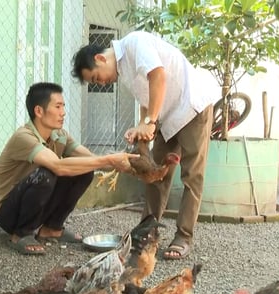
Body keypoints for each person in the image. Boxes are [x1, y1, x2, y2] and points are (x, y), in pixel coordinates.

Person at [71, 30, 219, 260]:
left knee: (192, 176)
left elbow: (157, 76)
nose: (100, 83)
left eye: (96, 77)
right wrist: (141, 125)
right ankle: (146, 231)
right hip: (168, 116)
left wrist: (150, 121)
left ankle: (183, 236)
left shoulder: (134, 43)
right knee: (155, 173)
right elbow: (146, 97)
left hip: (191, 106)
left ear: (100, 59)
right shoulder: (123, 68)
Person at [0, 82, 137, 255]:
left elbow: (89, 159)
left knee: (84, 171)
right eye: (58, 106)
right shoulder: (24, 137)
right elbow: (58, 167)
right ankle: (21, 234)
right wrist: (110, 159)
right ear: (39, 111)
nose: (63, 112)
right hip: (7, 212)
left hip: (34, 204)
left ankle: (52, 228)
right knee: (47, 174)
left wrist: (126, 164)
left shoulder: (60, 135)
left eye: (64, 106)